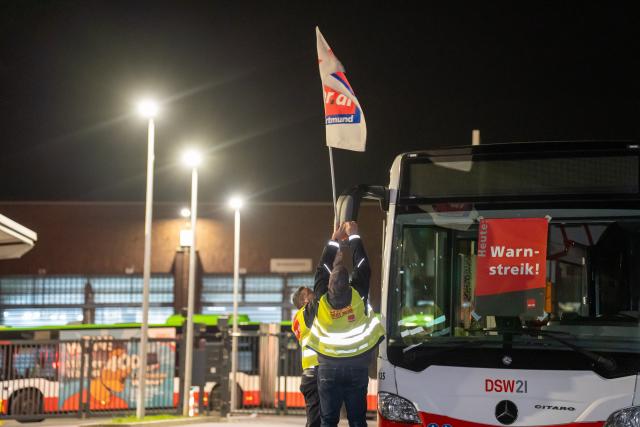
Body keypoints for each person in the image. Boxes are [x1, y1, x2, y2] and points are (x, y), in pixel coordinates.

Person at [303, 221, 385, 427]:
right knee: (357, 421)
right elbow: (363, 265)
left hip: (327, 369)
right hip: (356, 368)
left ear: (328, 283)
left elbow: (321, 269)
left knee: (328, 420)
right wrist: (354, 236)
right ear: (349, 281)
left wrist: (334, 239)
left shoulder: (320, 300)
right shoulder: (358, 296)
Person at [291, 224, 347, 427]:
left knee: (320, 422)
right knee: (318, 422)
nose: (314, 295)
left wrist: (335, 263)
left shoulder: (301, 319)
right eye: (310, 294)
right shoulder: (307, 313)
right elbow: (321, 278)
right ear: (305, 301)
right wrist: (333, 246)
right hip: (317, 374)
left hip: (312, 375)